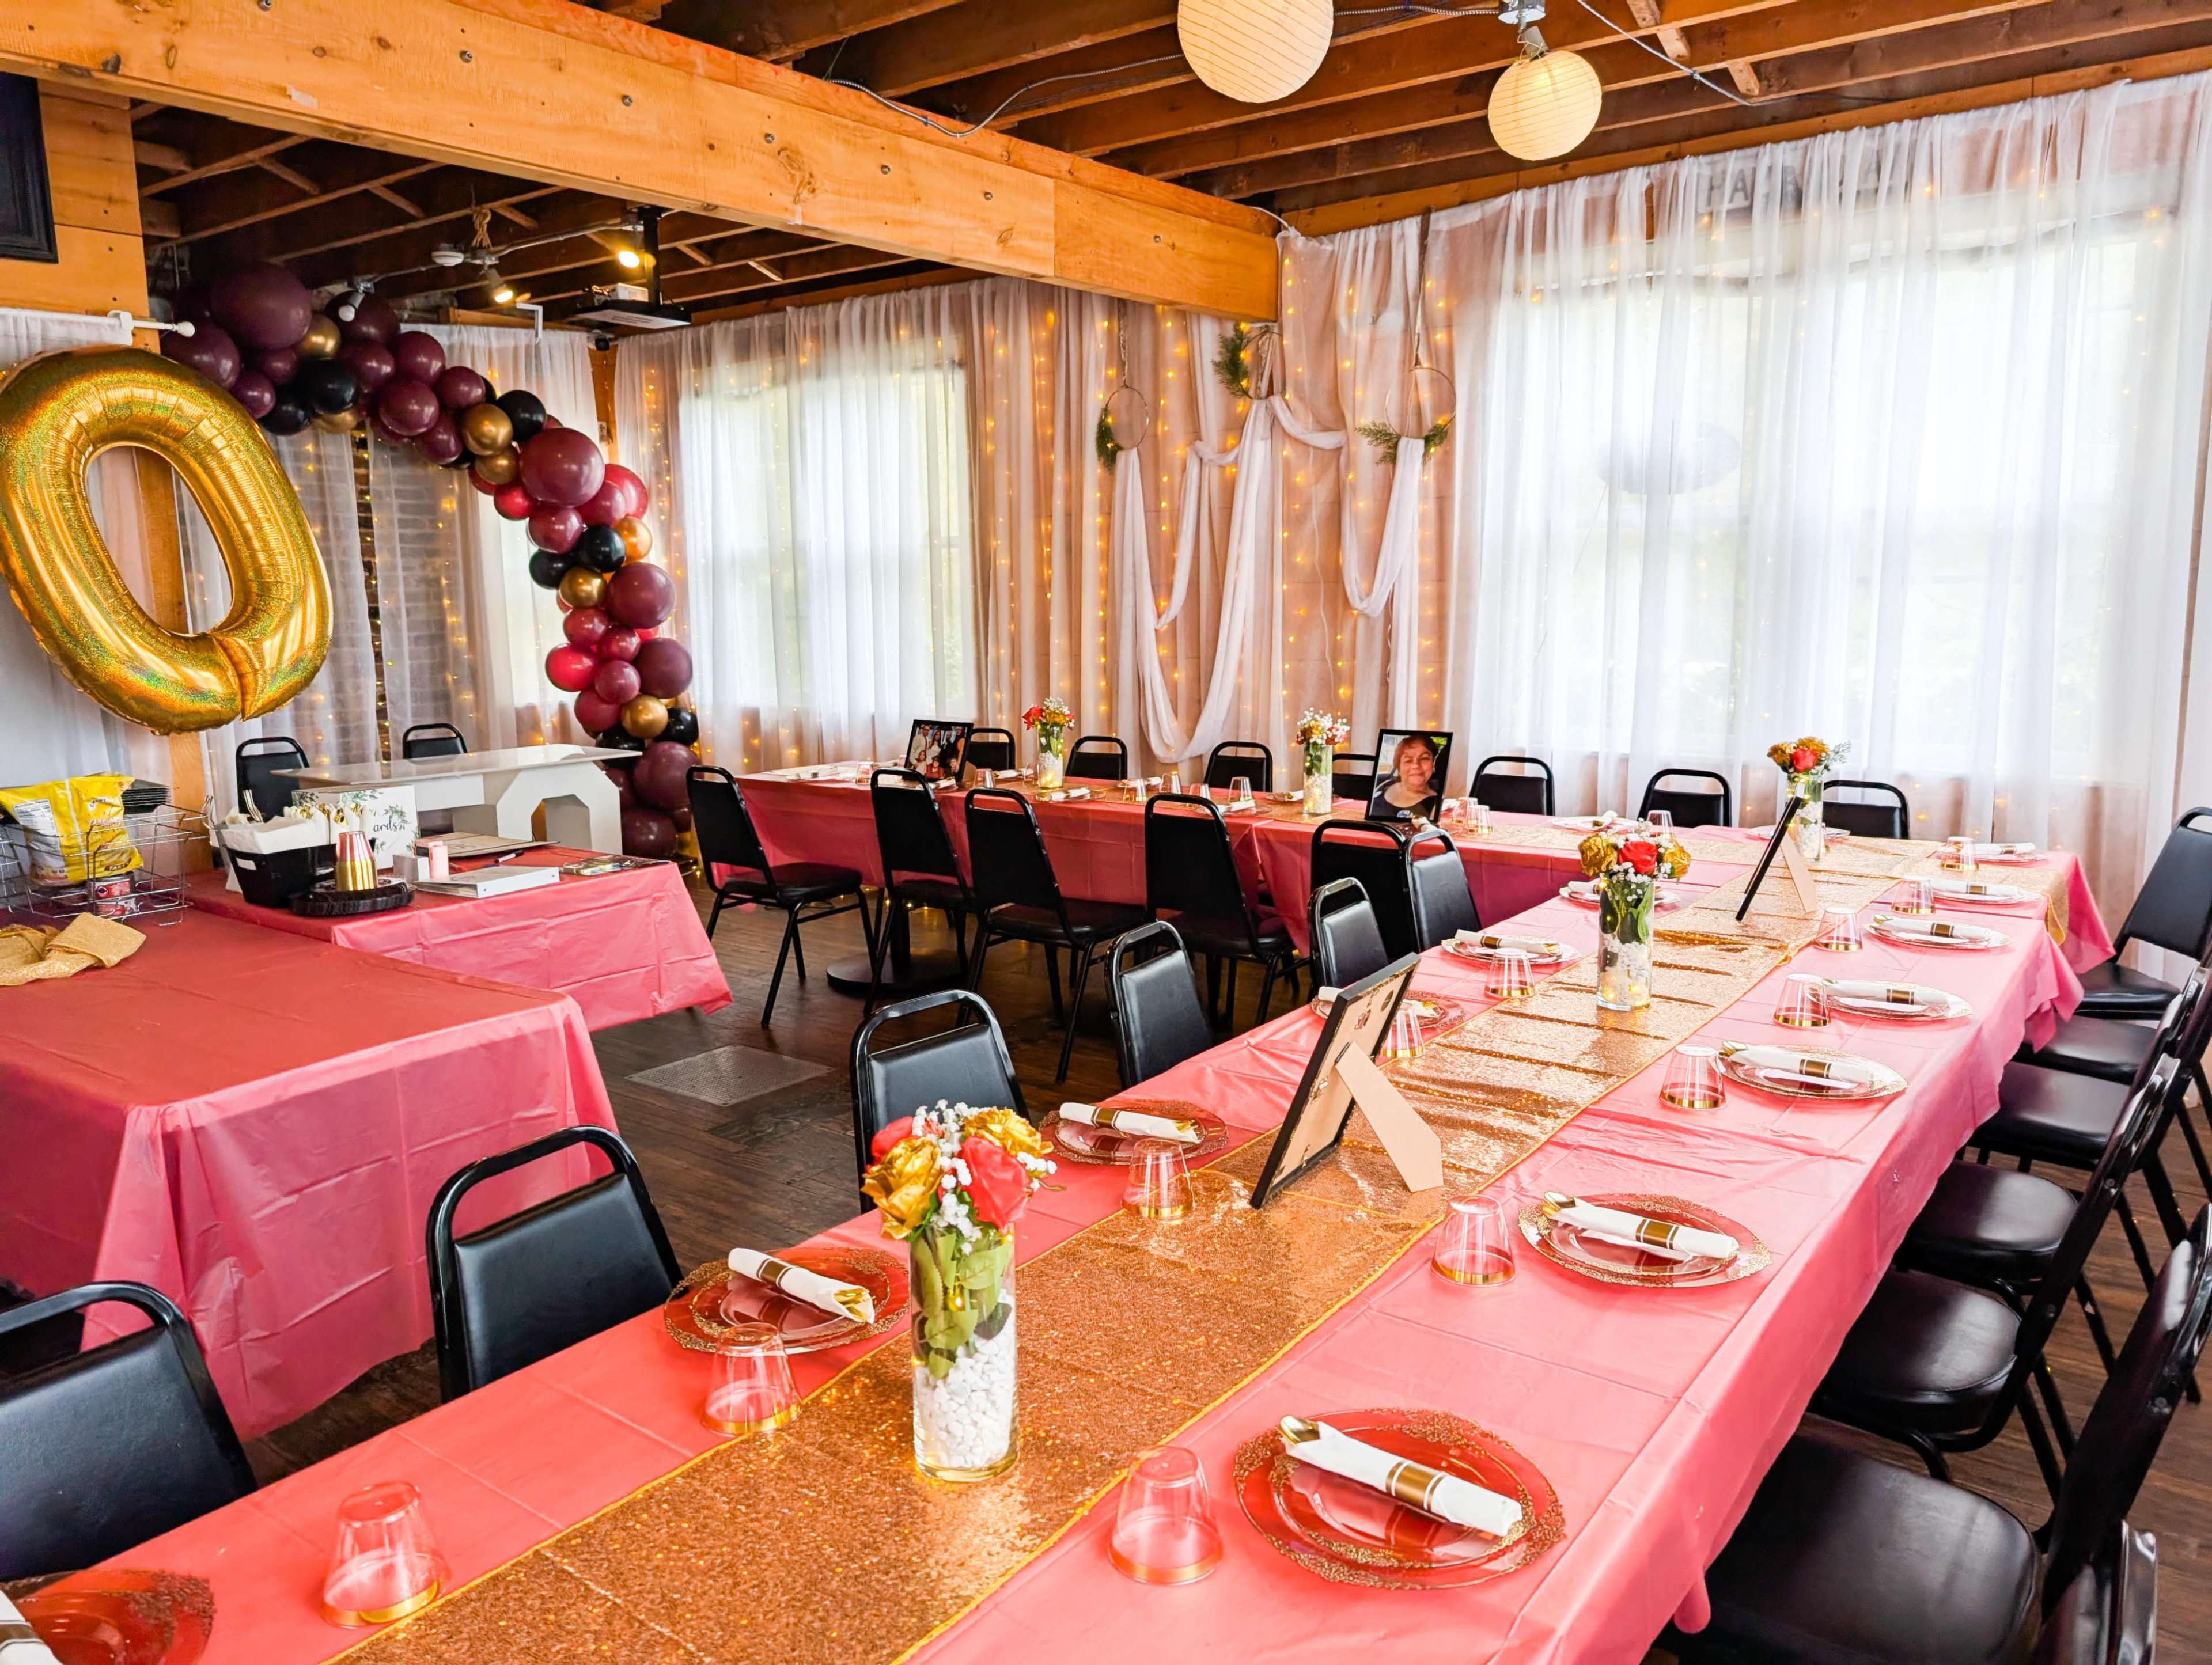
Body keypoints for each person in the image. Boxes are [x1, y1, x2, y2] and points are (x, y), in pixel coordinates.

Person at [1373, 733, 1445, 820]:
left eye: (1424, 759)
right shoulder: (1382, 784)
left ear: (1433, 764)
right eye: (1408, 761)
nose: (1416, 765)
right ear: (1399, 766)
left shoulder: (1439, 807)